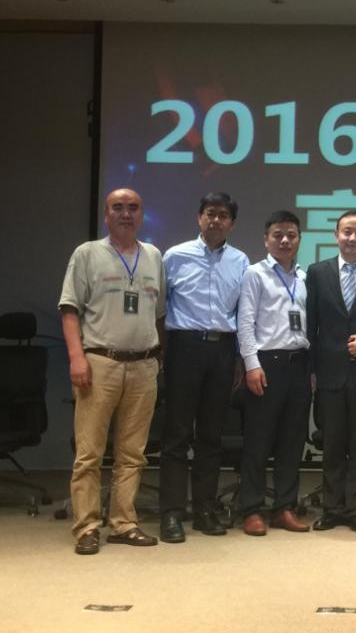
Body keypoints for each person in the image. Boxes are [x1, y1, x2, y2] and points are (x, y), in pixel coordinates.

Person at [59, 187, 165, 555]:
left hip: (144, 365)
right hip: (99, 363)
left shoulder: (153, 256)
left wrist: (158, 358)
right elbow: (69, 310)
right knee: (89, 453)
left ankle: (124, 523)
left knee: (133, 453)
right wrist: (77, 358)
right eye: (117, 207)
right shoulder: (87, 254)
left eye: (133, 208)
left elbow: (160, 313)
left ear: (141, 215)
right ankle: (87, 526)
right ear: (106, 214)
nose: (126, 214)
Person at [157, 192, 249, 543]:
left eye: (223, 215)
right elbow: (159, 307)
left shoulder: (240, 261)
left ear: (232, 223)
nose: (216, 220)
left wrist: (238, 356)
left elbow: (242, 313)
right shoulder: (175, 256)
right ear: (199, 218)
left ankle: (205, 510)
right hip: (184, 347)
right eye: (210, 213)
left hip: (222, 350)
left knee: (211, 435)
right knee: (177, 433)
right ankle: (171, 512)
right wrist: (161, 351)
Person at [236, 210, 312, 536]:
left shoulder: (305, 277)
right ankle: (252, 509)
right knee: (258, 440)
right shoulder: (255, 274)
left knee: (292, 441)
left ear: (299, 240)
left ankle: (284, 507)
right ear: (266, 239)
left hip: (300, 364)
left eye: (291, 235)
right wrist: (252, 365)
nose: (284, 241)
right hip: (267, 364)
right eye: (278, 235)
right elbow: (245, 322)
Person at [306, 211, 356, 532]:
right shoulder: (317, 272)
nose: (353, 238)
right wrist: (311, 369)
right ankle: (333, 507)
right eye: (347, 232)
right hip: (330, 373)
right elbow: (310, 325)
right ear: (336, 235)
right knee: (333, 444)